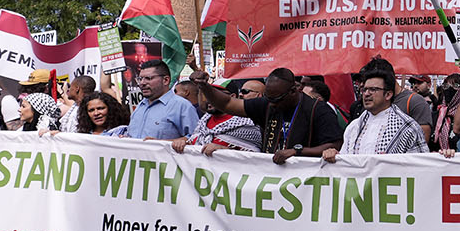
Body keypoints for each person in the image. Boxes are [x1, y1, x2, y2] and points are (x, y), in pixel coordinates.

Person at [184, 66, 341, 162]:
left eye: (277, 99)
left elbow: (334, 146)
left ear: (294, 91)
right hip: (271, 176)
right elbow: (227, 104)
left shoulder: (319, 110)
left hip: (307, 183)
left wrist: (296, 152)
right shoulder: (268, 105)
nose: (272, 104)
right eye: (269, 98)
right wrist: (204, 87)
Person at [329, 60, 425, 158]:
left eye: (373, 90)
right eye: (364, 89)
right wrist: (335, 156)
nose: (366, 94)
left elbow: (419, 165)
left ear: (388, 95)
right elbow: (345, 160)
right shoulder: (354, 127)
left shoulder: (408, 128)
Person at [123, 60, 200, 140]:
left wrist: (163, 143)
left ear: (166, 80)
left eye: (148, 78)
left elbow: (196, 139)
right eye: (140, 79)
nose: (142, 83)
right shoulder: (140, 106)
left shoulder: (182, 106)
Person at [394, 76, 436, 146]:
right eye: (414, 83)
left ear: (429, 85)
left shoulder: (435, 102)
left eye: (419, 83)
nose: (415, 86)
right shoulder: (407, 100)